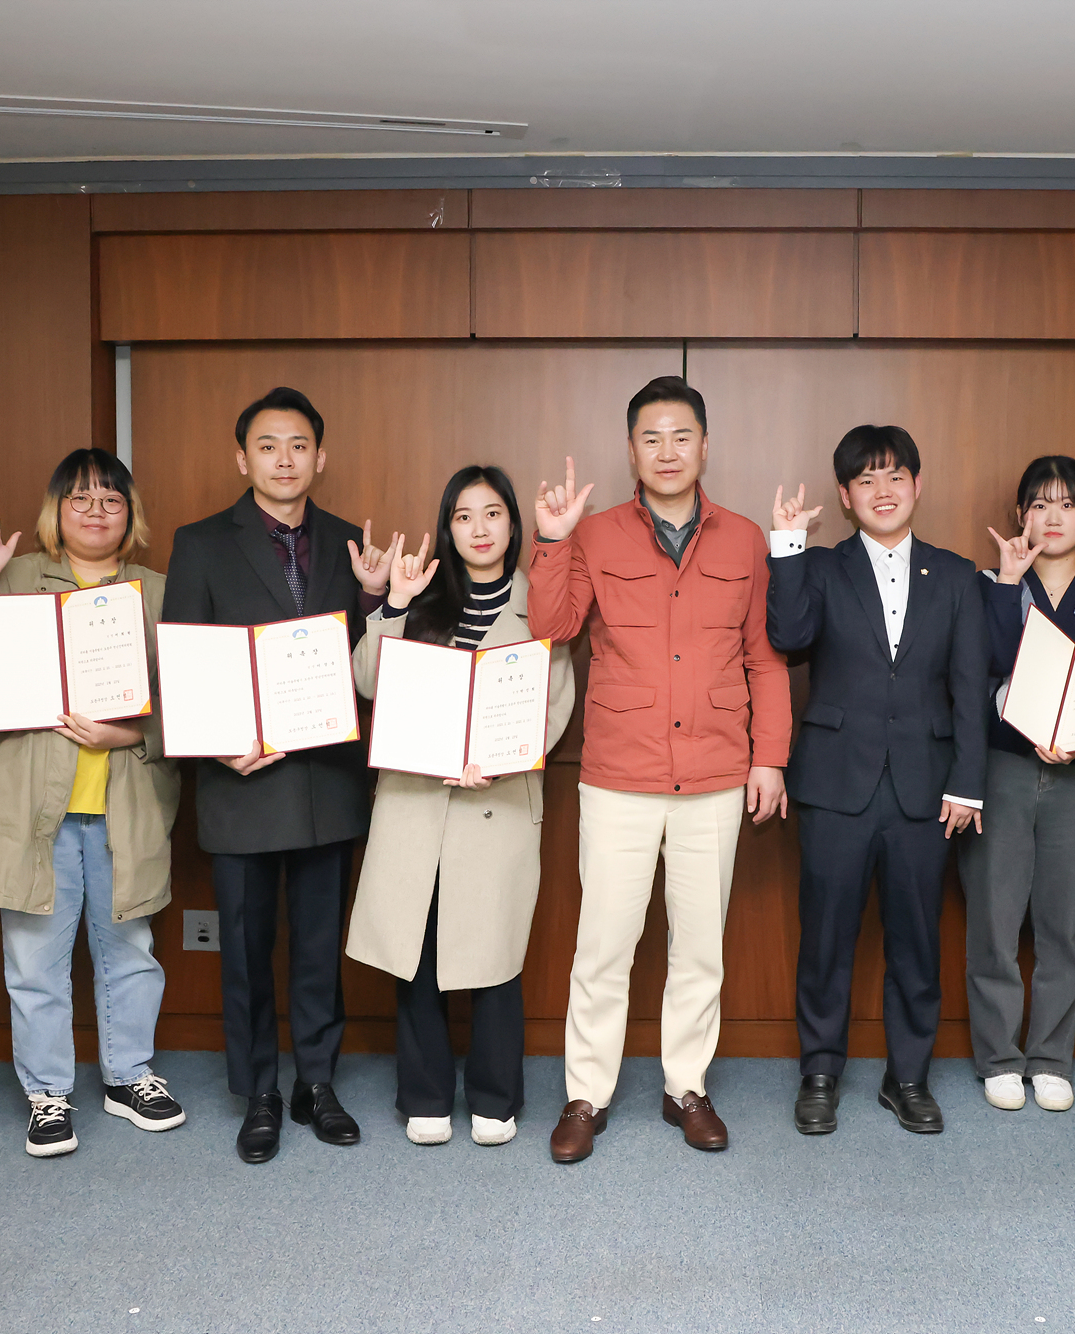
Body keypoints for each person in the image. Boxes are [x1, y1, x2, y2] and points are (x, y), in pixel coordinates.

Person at [527, 375, 792, 1163]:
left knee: (699, 946)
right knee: (604, 945)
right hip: (618, 774)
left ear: (705, 446)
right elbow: (553, 626)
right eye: (651, 437)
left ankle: (687, 1086)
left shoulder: (745, 539)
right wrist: (550, 541)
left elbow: (765, 660)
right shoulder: (596, 533)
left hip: (715, 774)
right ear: (631, 450)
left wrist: (769, 758)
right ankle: (587, 1093)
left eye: (682, 436)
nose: (667, 451)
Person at [0, 449, 185, 1158]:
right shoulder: (16, 578)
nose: (95, 512)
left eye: (110, 500)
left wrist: (131, 731)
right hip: (29, 806)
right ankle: (47, 1093)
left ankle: (128, 1077)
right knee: (34, 959)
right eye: (79, 499)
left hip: (126, 802)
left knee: (130, 950)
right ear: (56, 512)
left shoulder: (159, 590)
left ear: (130, 515)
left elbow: (195, 701)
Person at [162, 386, 380, 1163]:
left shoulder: (354, 544)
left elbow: (364, 663)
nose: (284, 460)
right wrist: (213, 743)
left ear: (320, 457)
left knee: (319, 946)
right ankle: (258, 1089)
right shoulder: (200, 543)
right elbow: (180, 666)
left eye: (298, 446)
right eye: (267, 446)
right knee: (247, 951)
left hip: (325, 782)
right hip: (240, 781)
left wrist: (381, 598)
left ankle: (316, 1082)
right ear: (242, 457)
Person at [766, 425, 988, 1136]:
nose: (883, 490)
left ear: (918, 486)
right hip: (835, 783)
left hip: (927, 788)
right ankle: (820, 1071)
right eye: (866, 480)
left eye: (895, 476)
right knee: (826, 938)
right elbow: (788, 638)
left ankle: (909, 1077)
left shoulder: (956, 576)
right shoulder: (823, 569)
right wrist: (789, 548)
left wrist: (969, 783)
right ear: (845, 495)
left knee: (917, 940)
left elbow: (969, 690)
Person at [345, 466, 575, 1147]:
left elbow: (555, 703)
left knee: (493, 952)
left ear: (512, 524)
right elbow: (365, 681)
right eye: (463, 516)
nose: (478, 528)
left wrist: (498, 761)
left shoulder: (542, 602)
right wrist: (391, 604)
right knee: (415, 949)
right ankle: (424, 1094)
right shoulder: (420, 597)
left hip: (496, 802)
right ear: (447, 527)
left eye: (492, 514)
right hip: (416, 801)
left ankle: (496, 1096)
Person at [960, 455, 1075, 1115]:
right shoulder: (987, 584)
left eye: (1067, 503)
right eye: (1040, 503)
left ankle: (1051, 1057)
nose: (1053, 515)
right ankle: (1001, 1058)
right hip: (1001, 770)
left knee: (1066, 925)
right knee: (994, 920)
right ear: (1020, 516)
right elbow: (972, 675)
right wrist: (1009, 586)